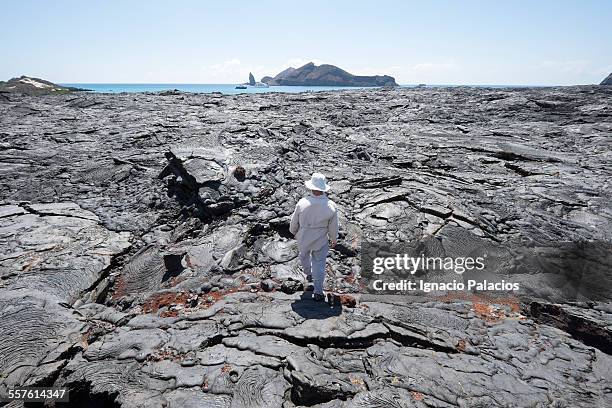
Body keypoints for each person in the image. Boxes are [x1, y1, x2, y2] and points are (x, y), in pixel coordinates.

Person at [289, 172, 339, 301]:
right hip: (320, 238)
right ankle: (318, 291)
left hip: (304, 235)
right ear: (323, 189)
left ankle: (308, 273)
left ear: (311, 187)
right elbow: (333, 227)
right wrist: (333, 239)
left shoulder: (302, 203)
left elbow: (294, 221)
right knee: (319, 263)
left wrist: (293, 231)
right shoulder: (331, 206)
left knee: (303, 255)